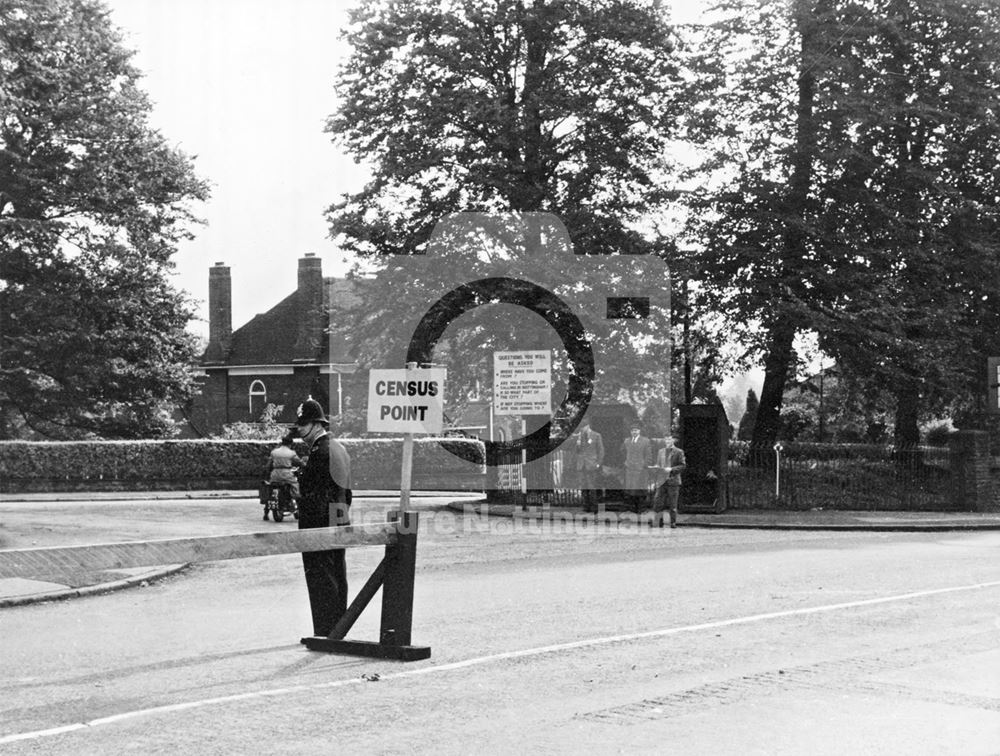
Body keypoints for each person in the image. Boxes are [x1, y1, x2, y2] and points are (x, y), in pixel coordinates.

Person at [295, 398, 352, 637]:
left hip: (319, 526)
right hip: (339, 521)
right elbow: (347, 493)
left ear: (316, 424)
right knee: (337, 575)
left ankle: (325, 631)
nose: (299, 429)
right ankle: (339, 628)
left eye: (303, 424)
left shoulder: (320, 453)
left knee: (321, 579)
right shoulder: (339, 448)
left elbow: (316, 495)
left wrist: (300, 499)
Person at [651, 435, 686, 528]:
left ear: (673, 440)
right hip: (661, 480)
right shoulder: (661, 451)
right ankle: (658, 521)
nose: (667, 441)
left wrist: (671, 469)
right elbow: (659, 464)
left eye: (669, 439)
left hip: (673, 480)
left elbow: (682, 466)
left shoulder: (679, 452)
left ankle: (672, 522)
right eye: (666, 439)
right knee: (658, 502)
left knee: (672, 503)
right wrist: (656, 467)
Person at [264, 433, 302, 516]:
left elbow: (268, 465)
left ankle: (266, 513)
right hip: (287, 474)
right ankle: (296, 504)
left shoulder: (274, 452)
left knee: (270, 492)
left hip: (275, 475)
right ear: (290, 444)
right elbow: (299, 462)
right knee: (295, 486)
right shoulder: (291, 453)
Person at [573, 417, 604, 513]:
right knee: (583, 487)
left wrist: (598, 463)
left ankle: (594, 508)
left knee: (592, 486)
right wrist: (577, 444)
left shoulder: (596, 435)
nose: (582, 429)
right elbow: (576, 452)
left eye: (584, 427)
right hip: (581, 465)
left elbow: (601, 450)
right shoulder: (579, 437)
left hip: (591, 465)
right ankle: (586, 507)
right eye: (581, 428)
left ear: (588, 426)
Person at [621, 422, 652, 514]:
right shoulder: (627, 441)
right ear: (630, 432)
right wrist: (626, 462)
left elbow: (648, 455)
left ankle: (641, 509)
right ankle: (632, 509)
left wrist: (644, 466)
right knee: (630, 489)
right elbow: (622, 452)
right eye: (632, 430)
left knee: (640, 489)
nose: (634, 432)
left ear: (639, 431)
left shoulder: (645, 441)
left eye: (636, 430)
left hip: (640, 469)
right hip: (629, 468)